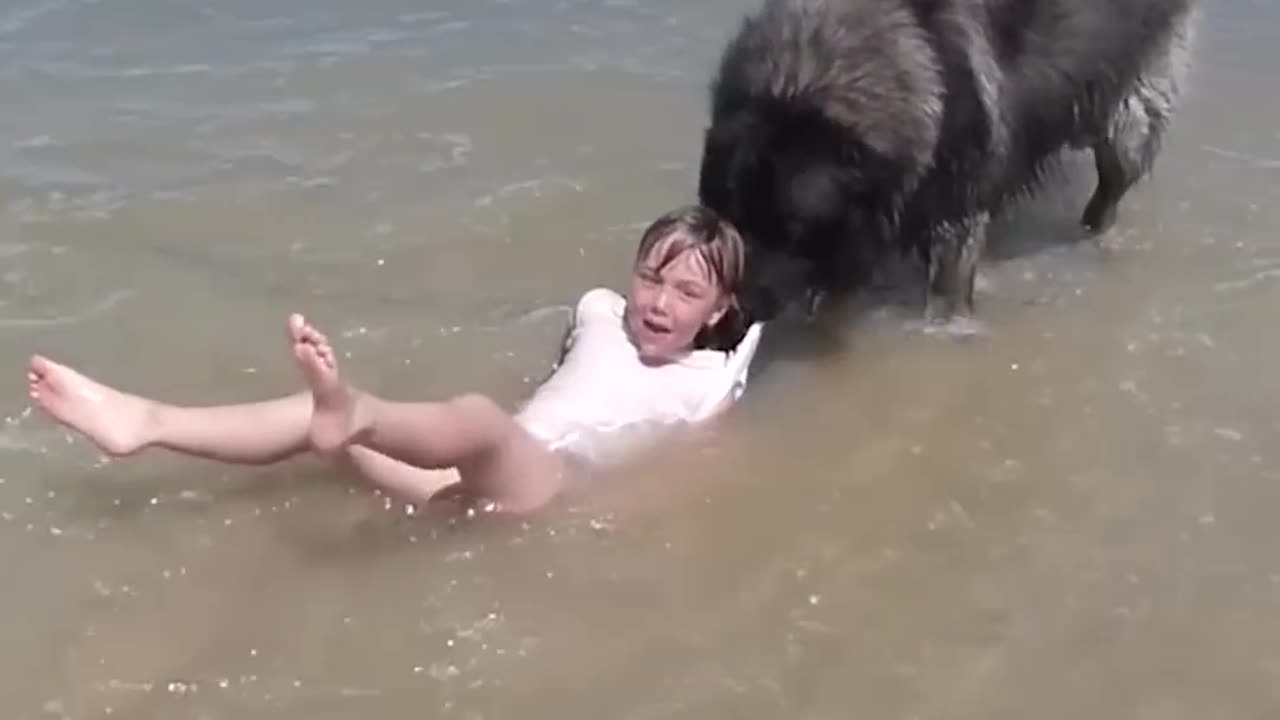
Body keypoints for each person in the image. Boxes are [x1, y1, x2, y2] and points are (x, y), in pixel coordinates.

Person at [25, 205, 765, 514]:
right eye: (651, 277)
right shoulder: (600, 314)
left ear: (720, 310)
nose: (660, 301)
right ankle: (146, 422)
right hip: (460, 481)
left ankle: (352, 414)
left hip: (548, 493)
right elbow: (562, 382)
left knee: (478, 418)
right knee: (310, 420)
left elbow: (695, 470)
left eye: (686, 292)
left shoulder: (705, 383)